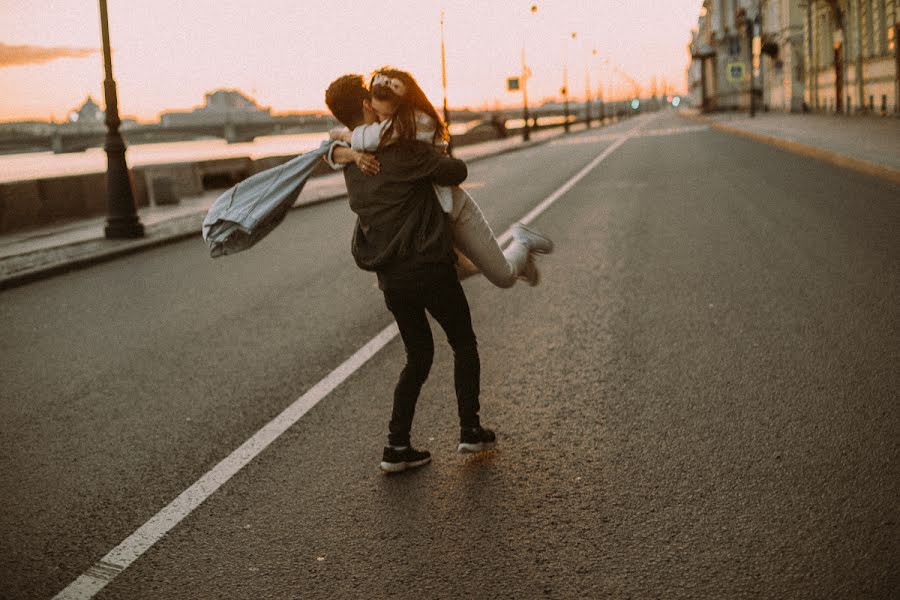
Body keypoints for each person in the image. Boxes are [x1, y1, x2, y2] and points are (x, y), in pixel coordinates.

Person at [324, 74, 497, 473]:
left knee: (418, 356)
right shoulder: (403, 151)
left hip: (391, 278)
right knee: (463, 342)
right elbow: (456, 171)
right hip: (428, 265)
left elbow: (330, 150)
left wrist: (344, 150)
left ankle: (396, 446)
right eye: (372, 97)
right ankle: (470, 431)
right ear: (367, 104)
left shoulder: (351, 160)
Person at [329, 67, 554, 288]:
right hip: (428, 222)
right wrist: (352, 154)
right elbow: (327, 150)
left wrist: (344, 140)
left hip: (452, 210)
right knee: (453, 272)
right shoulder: (382, 126)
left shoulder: (409, 124)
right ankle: (519, 264)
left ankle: (522, 241)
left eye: (382, 113)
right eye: (375, 111)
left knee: (503, 277)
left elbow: (369, 139)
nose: (379, 118)